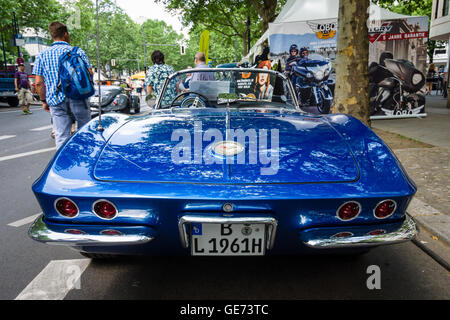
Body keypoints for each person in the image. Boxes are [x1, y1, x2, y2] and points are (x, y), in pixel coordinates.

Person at [33, 21, 92, 149]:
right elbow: (90, 73)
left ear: (52, 35)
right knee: (84, 133)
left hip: (56, 99)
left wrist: (44, 100)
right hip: (79, 98)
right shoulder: (77, 51)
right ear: (65, 34)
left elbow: (38, 83)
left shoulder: (42, 55)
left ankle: (64, 166)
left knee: (61, 136)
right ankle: (85, 163)